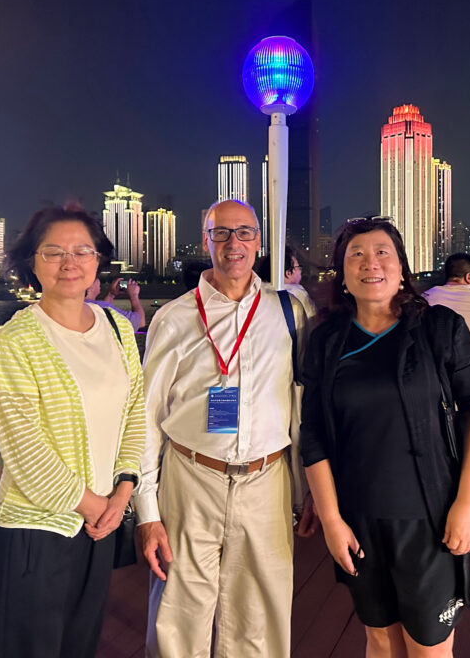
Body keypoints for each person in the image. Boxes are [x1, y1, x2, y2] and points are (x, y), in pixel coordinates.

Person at [300, 218, 470, 657]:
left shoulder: (439, 328)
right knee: (379, 640)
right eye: (357, 254)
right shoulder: (327, 340)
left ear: (402, 266)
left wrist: (467, 505)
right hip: (359, 518)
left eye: (382, 252)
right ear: (343, 273)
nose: (371, 263)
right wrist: (331, 520)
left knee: (429, 647)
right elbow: (311, 431)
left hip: (429, 517)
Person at [136, 199, 317, 658]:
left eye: (244, 233)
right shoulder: (174, 316)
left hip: (267, 478)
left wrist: (307, 488)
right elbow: (146, 416)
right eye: (221, 233)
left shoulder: (290, 313)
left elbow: (302, 404)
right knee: (178, 613)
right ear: (205, 241)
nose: (233, 243)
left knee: (261, 615)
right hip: (191, 476)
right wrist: (147, 511)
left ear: (259, 241)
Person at [0, 203, 145, 658]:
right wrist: (97, 507)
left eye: (82, 251)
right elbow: (25, 450)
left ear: (98, 260)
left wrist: (123, 492)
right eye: (53, 252)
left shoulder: (116, 327)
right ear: (32, 263)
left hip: (99, 523)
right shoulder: (16, 342)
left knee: (80, 645)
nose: (69, 262)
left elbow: (134, 412)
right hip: (38, 529)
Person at [256, 244, 317, 318]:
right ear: (288, 273)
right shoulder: (297, 294)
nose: (300, 271)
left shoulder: (257, 294)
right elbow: (313, 322)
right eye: (298, 267)